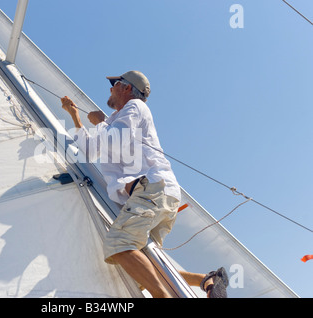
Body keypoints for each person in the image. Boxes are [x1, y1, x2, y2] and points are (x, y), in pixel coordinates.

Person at [61, 70, 228, 298]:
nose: (110, 88)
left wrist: (99, 123)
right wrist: (75, 117)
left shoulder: (135, 108)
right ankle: (206, 280)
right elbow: (91, 151)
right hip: (155, 195)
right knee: (143, 268)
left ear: (127, 88)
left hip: (151, 191)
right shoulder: (116, 120)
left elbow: (116, 140)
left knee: (119, 244)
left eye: (115, 83)